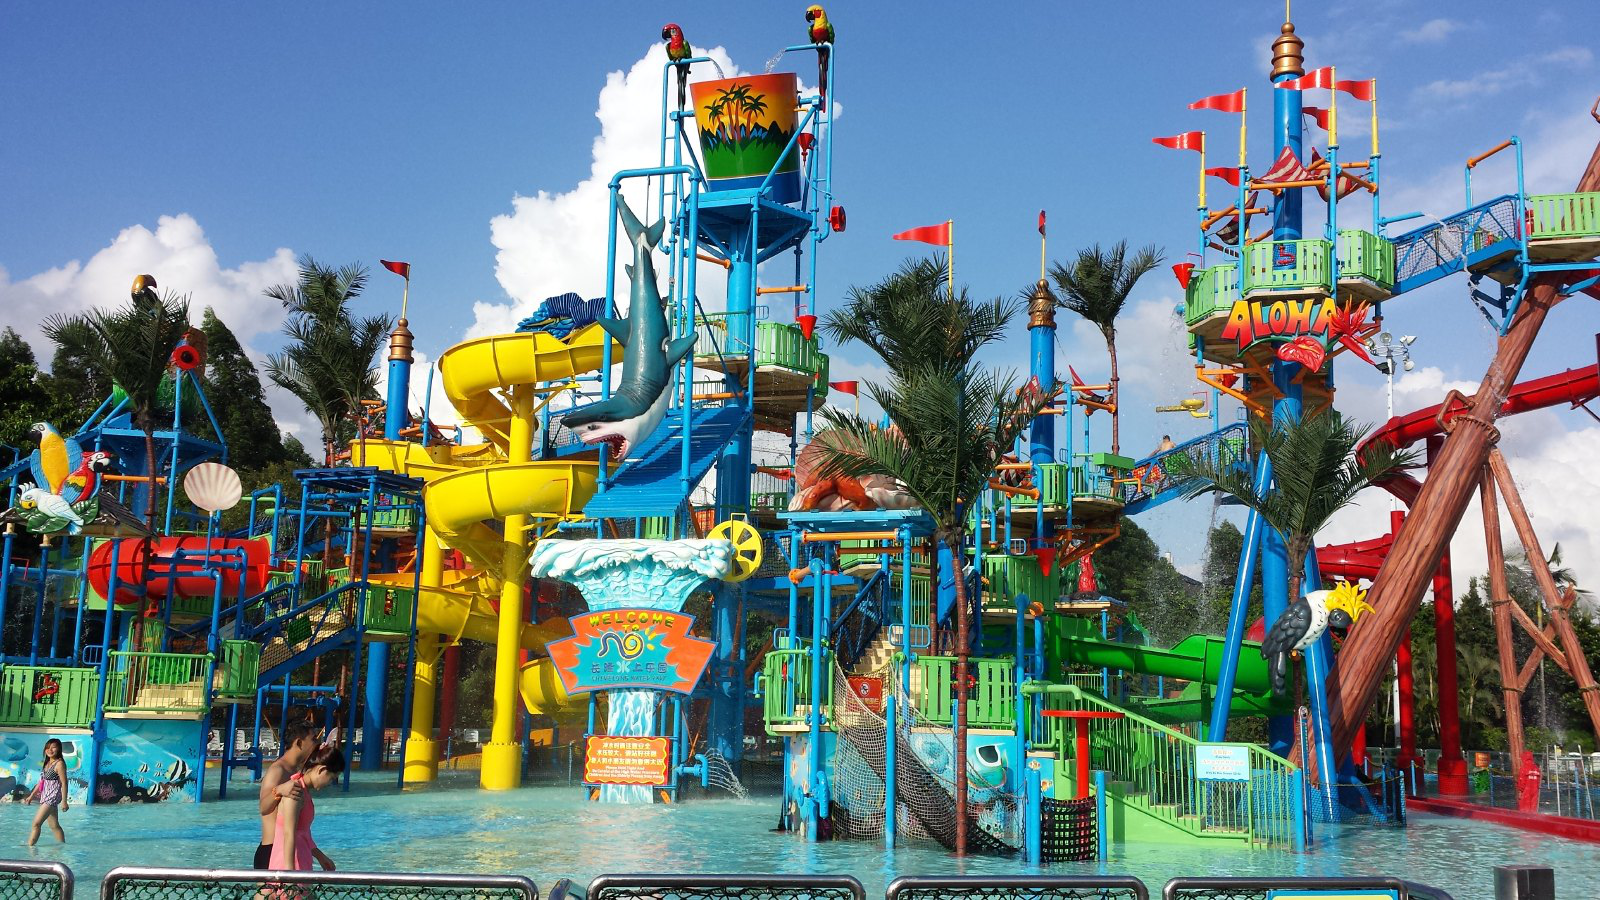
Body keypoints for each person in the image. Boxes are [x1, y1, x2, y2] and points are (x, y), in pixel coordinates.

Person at [268, 745, 343, 872]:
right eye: (331, 778)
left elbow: (303, 833)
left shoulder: (304, 790)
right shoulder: (295, 791)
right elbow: (289, 833)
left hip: (301, 859)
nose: (329, 783)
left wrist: (320, 856)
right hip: (290, 863)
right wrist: (289, 874)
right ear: (321, 770)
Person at [256, 724, 318, 869]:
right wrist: (278, 790)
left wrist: (318, 855)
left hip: (287, 851)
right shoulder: (278, 770)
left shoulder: (297, 770)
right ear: (299, 743)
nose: (317, 743)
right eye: (314, 739)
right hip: (271, 851)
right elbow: (264, 808)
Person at [25, 739, 68, 845]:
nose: (50, 750)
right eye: (48, 748)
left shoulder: (59, 764)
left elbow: (64, 783)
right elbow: (41, 781)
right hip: (45, 797)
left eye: (53, 747)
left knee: (36, 824)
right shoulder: (48, 763)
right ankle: (62, 847)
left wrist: (64, 801)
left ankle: (30, 847)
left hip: (52, 798)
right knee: (54, 826)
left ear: (59, 749)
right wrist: (31, 796)